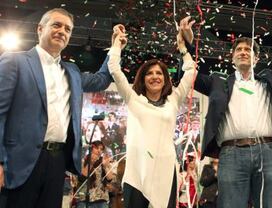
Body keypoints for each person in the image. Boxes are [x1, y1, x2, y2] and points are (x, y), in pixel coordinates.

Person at [178, 3, 272, 207]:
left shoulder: (269, 80)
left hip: (268, 152)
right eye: (239, 49)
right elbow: (185, 76)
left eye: (248, 50)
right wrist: (185, 46)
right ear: (232, 58)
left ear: (256, 59)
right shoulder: (218, 82)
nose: (243, 52)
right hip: (231, 154)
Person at [0, 8, 114, 208]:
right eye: (56, 25)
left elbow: (102, 80)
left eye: (68, 29)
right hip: (19, 162)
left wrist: (115, 49)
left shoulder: (72, 71)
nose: (62, 31)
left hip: (57, 162)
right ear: (40, 29)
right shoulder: (14, 61)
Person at [108, 25, 197, 208]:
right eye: (149, 73)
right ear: (143, 78)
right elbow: (115, 70)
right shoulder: (133, 98)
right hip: (137, 169)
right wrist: (117, 46)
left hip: (165, 169)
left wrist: (182, 48)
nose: (154, 76)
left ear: (165, 78)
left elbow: (191, 72)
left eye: (159, 73)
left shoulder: (173, 99)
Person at [77, 141, 115, 208]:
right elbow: (82, 178)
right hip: (85, 199)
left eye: (101, 149)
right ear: (91, 148)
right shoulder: (84, 160)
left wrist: (105, 166)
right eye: (97, 148)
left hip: (101, 198)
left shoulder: (104, 161)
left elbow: (110, 178)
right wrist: (91, 163)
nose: (99, 151)